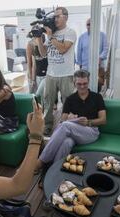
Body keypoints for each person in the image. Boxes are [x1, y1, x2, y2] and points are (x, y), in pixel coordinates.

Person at [36, 70, 106, 170]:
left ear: (88, 82)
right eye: (79, 84)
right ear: (74, 83)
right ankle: (53, 171)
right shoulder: (70, 99)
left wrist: (89, 122)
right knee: (67, 143)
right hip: (73, 132)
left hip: (91, 132)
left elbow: (103, 120)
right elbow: (63, 119)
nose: (82, 86)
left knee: (65, 126)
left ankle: (40, 161)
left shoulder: (97, 97)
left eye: (85, 83)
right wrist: (71, 118)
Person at [36, 6, 77, 135]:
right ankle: (47, 126)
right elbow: (43, 54)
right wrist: (38, 38)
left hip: (66, 74)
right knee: (48, 102)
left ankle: (67, 126)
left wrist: (50, 36)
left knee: (67, 102)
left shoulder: (70, 32)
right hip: (51, 74)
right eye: (54, 16)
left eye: (58, 16)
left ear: (65, 17)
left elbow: (63, 49)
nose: (55, 19)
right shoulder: (51, 33)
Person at [76, 18, 109, 91]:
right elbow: (79, 51)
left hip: (98, 67)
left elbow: (106, 48)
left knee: (97, 87)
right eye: (88, 24)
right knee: (84, 87)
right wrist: (80, 64)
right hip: (85, 67)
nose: (89, 26)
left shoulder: (102, 35)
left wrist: (100, 58)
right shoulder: (82, 37)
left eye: (91, 24)